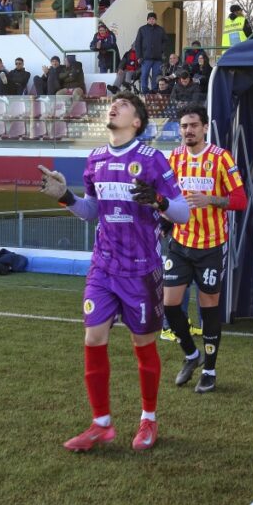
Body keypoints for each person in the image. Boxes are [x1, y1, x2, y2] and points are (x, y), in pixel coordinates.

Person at [37, 92, 189, 451]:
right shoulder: (95, 159)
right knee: (93, 338)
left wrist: (159, 201)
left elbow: (182, 213)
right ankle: (101, 424)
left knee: (143, 344)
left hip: (141, 270)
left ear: (136, 121)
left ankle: (148, 419)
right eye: (113, 103)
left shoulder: (152, 159)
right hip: (103, 266)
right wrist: (65, 196)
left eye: (123, 105)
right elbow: (92, 210)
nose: (114, 106)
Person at [163, 104, 247, 393]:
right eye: (184, 126)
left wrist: (210, 199)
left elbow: (240, 200)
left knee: (209, 308)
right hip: (180, 243)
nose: (188, 130)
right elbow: (167, 197)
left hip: (211, 245)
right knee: (170, 305)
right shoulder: (174, 158)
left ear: (205, 127)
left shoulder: (221, 158)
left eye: (194, 125)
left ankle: (209, 370)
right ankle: (191, 354)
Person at [133, 11, 168, 94]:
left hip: (157, 58)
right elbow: (137, 43)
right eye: (150, 19)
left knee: (156, 75)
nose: (151, 20)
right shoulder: (142, 29)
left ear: (156, 20)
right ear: (147, 20)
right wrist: (139, 57)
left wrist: (161, 50)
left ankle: (154, 91)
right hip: (145, 58)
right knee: (144, 74)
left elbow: (165, 41)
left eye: (153, 19)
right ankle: (145, 91)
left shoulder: (160, 29)